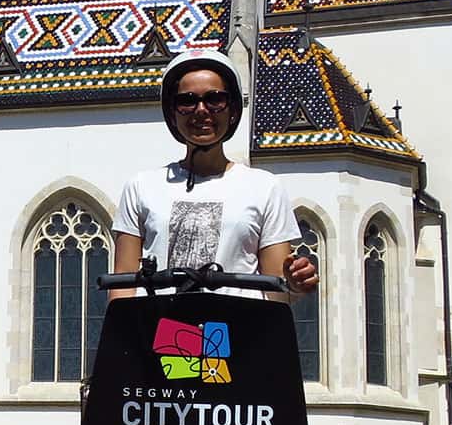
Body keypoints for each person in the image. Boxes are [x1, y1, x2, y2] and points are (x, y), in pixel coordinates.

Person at [111, 48, 319, 300]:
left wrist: (294, 284)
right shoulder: (141, 186)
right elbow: (122, 282)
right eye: (187, 101)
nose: (201, 110)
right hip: (162, 329)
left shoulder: (264, 187)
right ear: (173, 114)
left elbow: (275, 289)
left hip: (235, 330)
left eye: (215, 99)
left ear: (231, 110)